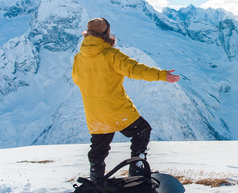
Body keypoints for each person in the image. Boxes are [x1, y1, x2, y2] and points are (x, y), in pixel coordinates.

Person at [72, 18, 180, 181]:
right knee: (142, 130)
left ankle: (96, 180)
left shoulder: (79, 58)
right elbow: (135, 70)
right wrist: (162, 75)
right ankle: (136, 173)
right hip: (116, 109)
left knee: (98, 148)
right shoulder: (111, 55)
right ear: (106, 33)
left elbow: (77, 80)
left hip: (93, 112)